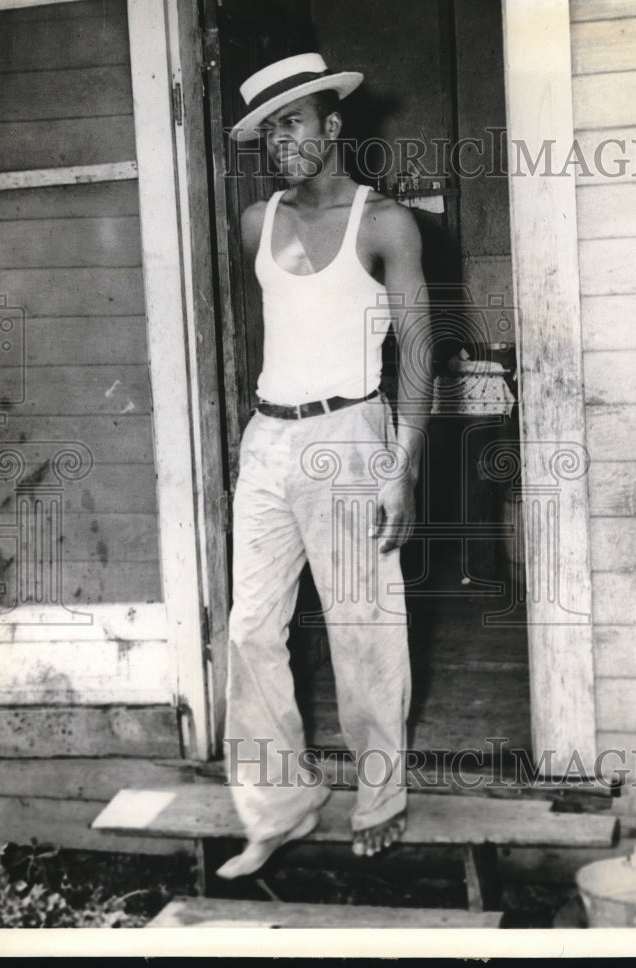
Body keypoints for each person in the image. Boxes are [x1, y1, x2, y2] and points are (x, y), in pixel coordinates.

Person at [217, 53, 433, 879]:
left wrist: (401, 465)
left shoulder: (385, 224)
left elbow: (419, 352)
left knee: (363, 625)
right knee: (249, 628)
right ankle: (281, 801)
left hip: (348, 435)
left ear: (332, 127)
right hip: (268, 438)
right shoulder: (253, 223)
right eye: (269, 129)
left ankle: (380, 797)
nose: (282, 141)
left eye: (294, 122)